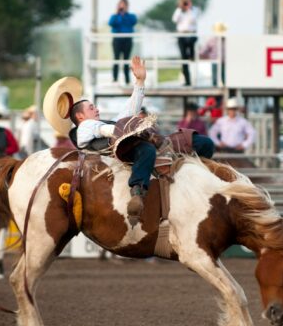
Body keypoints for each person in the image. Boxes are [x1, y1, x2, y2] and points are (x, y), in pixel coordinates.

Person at [67, 56, 214, 224]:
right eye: (91, 108)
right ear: (80, 116)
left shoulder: (100, 123)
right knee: (146, 150)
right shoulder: (85, 127)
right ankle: (137, 192)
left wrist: (140, 81)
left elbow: (129, 112)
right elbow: (106, 129)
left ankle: (198, 178)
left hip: (143, 142)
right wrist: (131, 131)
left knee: (203, 143)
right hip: (128, 149)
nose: (97, 109)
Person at [172, 0, 199, 86]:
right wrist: (180, 8)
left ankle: (192, 55)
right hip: (181, 35)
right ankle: (187, 80)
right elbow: (175, 20)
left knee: (191, 55)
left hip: (191, 35)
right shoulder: (178, 10)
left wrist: (188, 9)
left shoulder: (194, 10)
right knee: (184, 59)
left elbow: (193, 19)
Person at [108, 0, 137, 84]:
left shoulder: (131, 16)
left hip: (127, 40)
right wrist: (118, 14)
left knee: (126, 60)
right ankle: (115, 79)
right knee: (116, 59)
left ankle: (127, 80)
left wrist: (124, 14)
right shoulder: (115, 16)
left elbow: (134, 21)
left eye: (124, 4)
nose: (122, 6)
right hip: (117, 40)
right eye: (120, 4)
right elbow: (111, 23)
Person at [199, 22, 226, 87]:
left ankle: (225, 88)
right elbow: (203, 52)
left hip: (224, 62)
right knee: (215, 78)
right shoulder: (212, 40)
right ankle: (216, 90)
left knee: (225, 79)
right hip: (215, 62)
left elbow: (203, 52)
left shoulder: (226, 40)